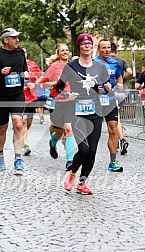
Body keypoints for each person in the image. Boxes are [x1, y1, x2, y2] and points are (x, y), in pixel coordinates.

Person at [56, 33, 110, 194]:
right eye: (83, 43)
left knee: (92, 150)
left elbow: (106, 87)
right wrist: (67, 95)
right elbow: (58, 87)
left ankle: (82, 182)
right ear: (78, 46)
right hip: (77, 111)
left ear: (92, 46)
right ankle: (71, 173)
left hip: (96, 111)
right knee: (84, 149)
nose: (87, 46)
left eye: (89, 43)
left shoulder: (99, 67)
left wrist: (105, 89)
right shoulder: (71, 66)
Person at [0, 28, 29, 175]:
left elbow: (24, 66)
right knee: (2, 127)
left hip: (17, 94)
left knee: (18, 123)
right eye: (14, 37)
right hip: (2, 96)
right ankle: (0, 153)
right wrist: (0, 72)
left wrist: (26, 72)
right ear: (6, 40)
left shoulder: (20, 52)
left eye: (17, 37)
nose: (17, 40)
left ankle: (17, 159)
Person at [42, 43, 75, 170]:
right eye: (62, 50)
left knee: (69, 130)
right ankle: (53, 142)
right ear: (58, 53)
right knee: (59, 131)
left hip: (70, 101)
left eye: (67, 50)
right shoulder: (53, 67)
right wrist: (55, 83)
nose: (65, 52)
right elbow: (44, 85)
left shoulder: (73, 66)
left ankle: (70, 160)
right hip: (57, 102)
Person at [94, 39, 123, 172]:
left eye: (108, 47)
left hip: (110, 100)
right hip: (96, 101)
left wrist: (118, 87)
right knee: (94, 132)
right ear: (99, 49)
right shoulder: (93, 62)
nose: (106, 50)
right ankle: (87, 158)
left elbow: (119, 78)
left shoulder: (114, 63)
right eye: (104, 48)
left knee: (113, 129)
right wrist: (97, 88)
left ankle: (112, 162)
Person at [110, 42, 132, 155]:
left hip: (110, 91)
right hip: (121, 91)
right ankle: (119, 140)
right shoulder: (122, 61)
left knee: (113, 117)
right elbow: (130, 72)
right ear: (116, 50)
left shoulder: (106, 61)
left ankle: (121, 139)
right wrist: (123, 80)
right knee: (116, 115)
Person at [22, 47, 44, 156]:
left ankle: (23, 135)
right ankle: (25, 144)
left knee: (29, 120)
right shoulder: (14, 65)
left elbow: (42, 76)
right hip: (19, 96)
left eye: (24, 52)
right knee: (24, 120)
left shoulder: (32, 64)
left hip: (31, 96)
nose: (23, 54)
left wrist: (34, 84)